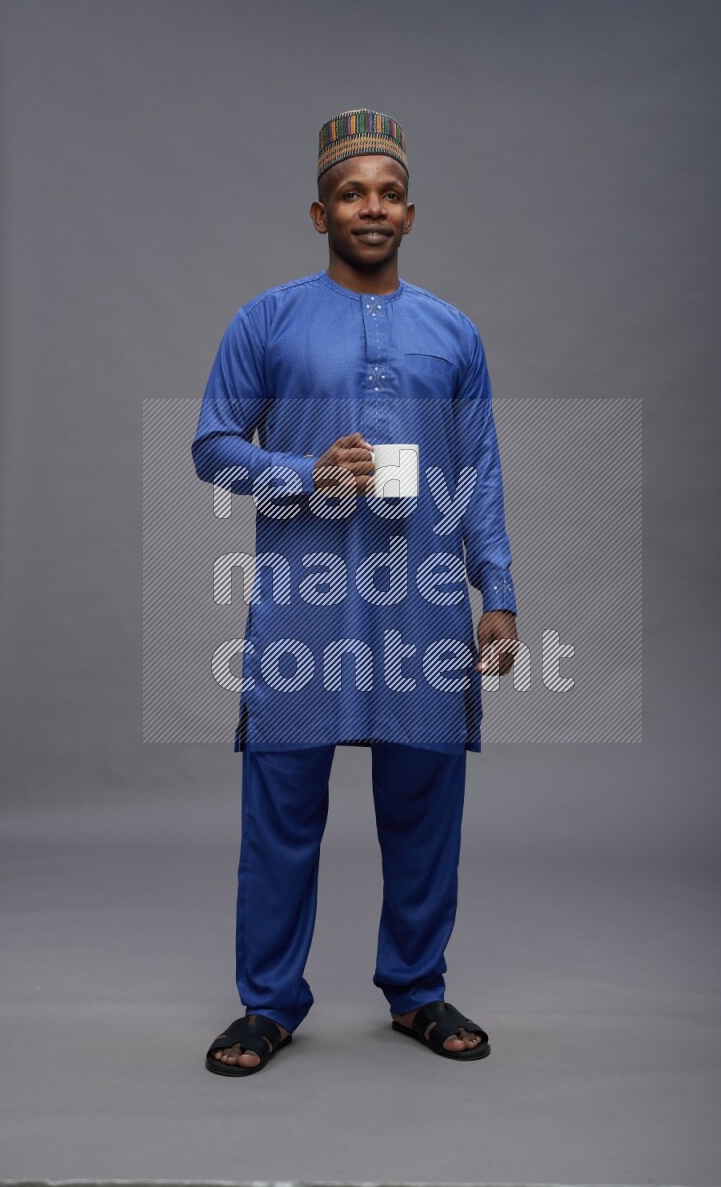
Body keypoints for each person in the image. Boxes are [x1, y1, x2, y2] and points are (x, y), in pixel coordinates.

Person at [192, 109, 518, 1075]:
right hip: (305, 599)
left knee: (425, 801)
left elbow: (482, 470)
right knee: (282, 805)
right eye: (350, 192)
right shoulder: (269, 318)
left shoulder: (451, 331)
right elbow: (211, 444)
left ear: (410, 213)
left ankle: (417, 990)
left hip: (422, 602)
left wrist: (495, 589)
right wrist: (303, 472)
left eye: (386, 193)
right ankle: (268, 1002)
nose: (368, 207)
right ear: (318, 210)